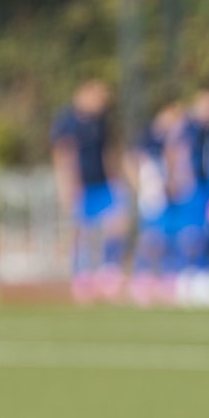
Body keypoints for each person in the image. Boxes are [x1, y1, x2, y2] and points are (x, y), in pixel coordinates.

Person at [50, 79, 130, 303]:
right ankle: (82, 277)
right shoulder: (67, 122)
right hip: (81, 186)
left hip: (104, 184)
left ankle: (109, 271)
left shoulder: (102, 121)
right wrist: (67, 186)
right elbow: (63, 156)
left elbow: (109, 152)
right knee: (80, 232)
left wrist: (117, 180)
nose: (102, 102)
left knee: (117, 225)